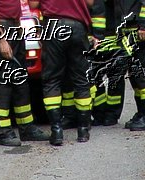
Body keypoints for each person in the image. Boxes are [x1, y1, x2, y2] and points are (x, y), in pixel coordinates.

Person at [0, 1, 48, 146]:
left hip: (14, 27)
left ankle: (26, 128)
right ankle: (3, 131)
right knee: (3, 83)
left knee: (20, 81)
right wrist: (1, 40)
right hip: (2, 28)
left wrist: (18, 26)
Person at [38, 0, 99, 144]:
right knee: (81, 80)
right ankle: (83, 130)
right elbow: (90, 3)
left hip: (53, 26)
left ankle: (57, 131)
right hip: (77, 26)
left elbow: (33, 4)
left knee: (52, 80)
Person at [111, 2, 145, 131]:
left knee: (141, 74)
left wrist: (144, 25)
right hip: (131, 31)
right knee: (135, 75)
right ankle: (142, 113)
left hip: (141, 32)